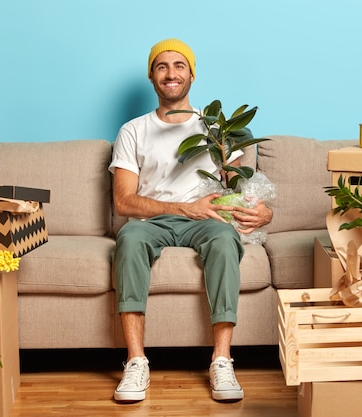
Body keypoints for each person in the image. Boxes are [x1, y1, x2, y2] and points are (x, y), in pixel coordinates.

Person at [109, 38, 273, 403]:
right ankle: (136, 362)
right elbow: (123, 202)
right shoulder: (133, 131)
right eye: (162, 66)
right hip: (152, 220)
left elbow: (240, 189)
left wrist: (265, 212)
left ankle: (222, 360)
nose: (171, 73)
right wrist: (185, 208)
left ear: (192, 74)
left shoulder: (216, 131)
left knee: (224, 240)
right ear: (152, 76)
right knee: (130, 239)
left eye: (179, 65)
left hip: (208, 220)